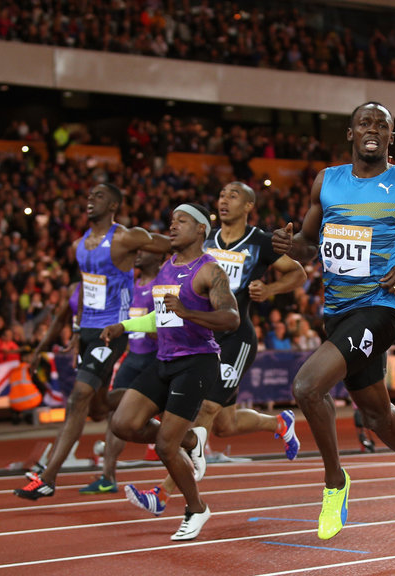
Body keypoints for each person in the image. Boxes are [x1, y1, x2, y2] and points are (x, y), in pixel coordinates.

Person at [272, 101, 395, 539]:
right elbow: (308, 243)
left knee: (307, 386)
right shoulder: (327, 181)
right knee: (377, 416)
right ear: (351, 133)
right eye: (366, 122)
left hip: (380, 308)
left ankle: (334, 483)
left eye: (382, 124)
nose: (373, 129)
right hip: (337, 313)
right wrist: (290, 244)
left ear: (391, 138)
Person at [125, 181, 307, 515]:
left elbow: (297, 274)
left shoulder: (261, 242)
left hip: (235, 338)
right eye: (221, 195)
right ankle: (278, 424)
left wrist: (270, 290)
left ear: (249, 205)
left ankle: (164, 494)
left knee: (206, 409)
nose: (224, 200)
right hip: (198, 336)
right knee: (225, 424)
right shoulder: (203, 241)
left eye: (233, 196)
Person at [15, 182, 171, 499]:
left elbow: (171, 243)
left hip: (110, 331)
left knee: (78, 398)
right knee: (99, 407)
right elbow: (87, 288)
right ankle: (152, 398)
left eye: (98, 196)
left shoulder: (126, 237)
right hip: (87, 331)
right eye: (89, 195)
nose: (90, 200)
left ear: (113, 206)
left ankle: (48, 477)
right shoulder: (80, 245)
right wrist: (75, 329)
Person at [101, 202, 240, 541]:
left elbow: (231, 318)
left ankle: (196, 509)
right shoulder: (166, 266)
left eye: (181, 221)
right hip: (164, 359)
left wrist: (190, 314)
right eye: (171, 220)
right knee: (122, 423)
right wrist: (125, 325)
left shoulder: (210, 271)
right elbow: (163, 318)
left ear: (200, 230)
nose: (173, 226)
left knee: (165, 445)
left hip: (197, 361)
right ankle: (192, 439)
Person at [78, 249, 167, 494]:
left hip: (154, 358)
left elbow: (169, 322)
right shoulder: (132, 285)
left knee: (161, 416)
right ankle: (108, 476)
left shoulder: (163, 282)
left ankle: (183, 454)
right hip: (133, 357)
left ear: (158, 256)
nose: (137, 255)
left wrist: (156, 331)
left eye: (144, 252)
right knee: (113, 413)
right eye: (135, 252)